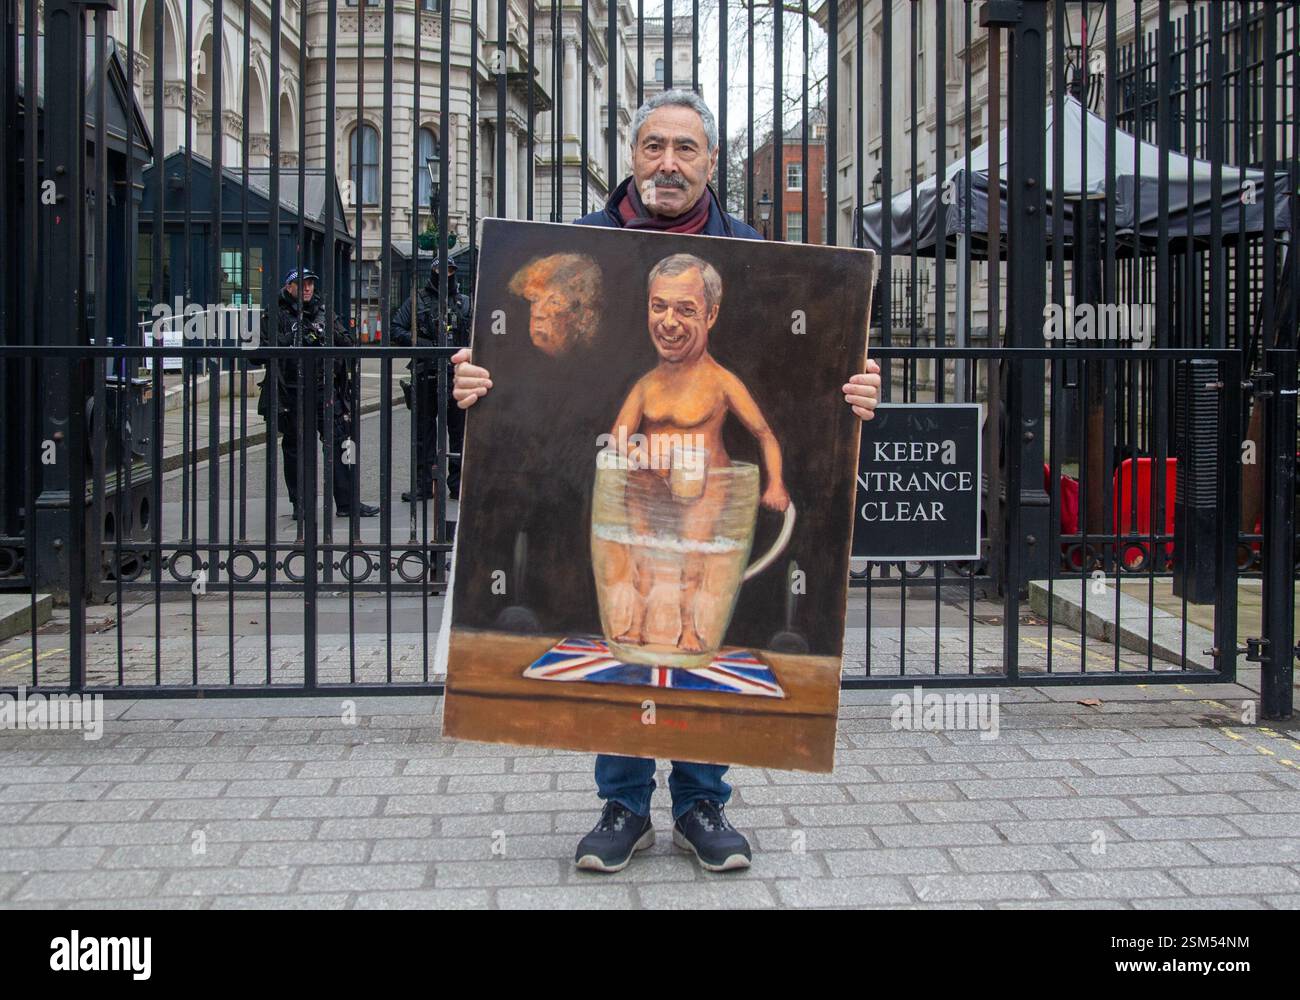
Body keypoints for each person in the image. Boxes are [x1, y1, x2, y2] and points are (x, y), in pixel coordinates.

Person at [451, 89, 884, 874]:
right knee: (628, 618)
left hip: (708, 508)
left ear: (712, 162)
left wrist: (852, 393)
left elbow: (806, 385)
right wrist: (482, 374)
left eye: (686, 149)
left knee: (692, 624)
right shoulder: (577, 246)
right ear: (632, 155)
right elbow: (522, 357)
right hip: (630, 498)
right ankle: (622, 803)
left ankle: (700, 802)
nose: (668, 164)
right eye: (654, 146)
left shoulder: (758, 253)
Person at [258, 268, 380, 520]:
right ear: (288, 287)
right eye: (301, 284)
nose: (307, 288)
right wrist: (293, 337)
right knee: (296, 448)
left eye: (311, 283)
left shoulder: (323, 312)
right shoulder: (275, 314)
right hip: (292, 392)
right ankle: (300, 504)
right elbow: (259, 353)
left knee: (343, 443)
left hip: (326, 389)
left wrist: (331, 336)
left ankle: (348, 501)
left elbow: (347, 342)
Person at [390, 261, 471, 501]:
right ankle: (424, 485)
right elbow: (395, 328)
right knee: (424, 434)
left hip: (456, 374)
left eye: (449, 270)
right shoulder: (418, 300)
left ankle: (458, 485)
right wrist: (421, 344)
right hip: (427, 373)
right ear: (432, 272)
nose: (444, 275)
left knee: (459, 433)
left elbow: (480, 331)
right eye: (440, 270)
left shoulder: (465, 302)